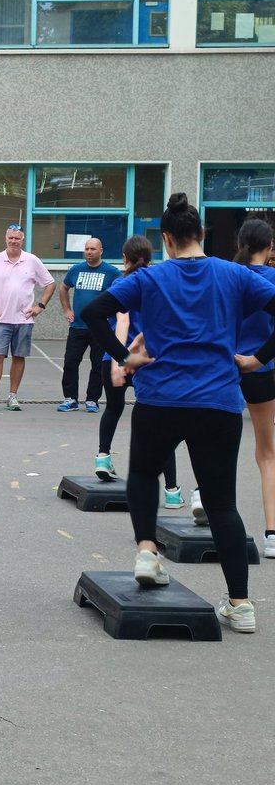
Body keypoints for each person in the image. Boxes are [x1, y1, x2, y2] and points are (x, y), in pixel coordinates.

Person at [82, 194, 275, 634]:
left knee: (144, 475)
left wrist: (123, 358)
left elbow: (95, 312)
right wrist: (258, 359)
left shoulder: (148, 279)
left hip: (161, 400)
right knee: (223, 504)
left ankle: (147, 550)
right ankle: (241, 605)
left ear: (165, 239)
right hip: (218, 403)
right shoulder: (235, 275)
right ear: (202, 234)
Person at [93, 236, 183, 510]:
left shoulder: (121, 284)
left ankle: (103, 457)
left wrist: (118, 361)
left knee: (113, 408)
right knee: (161, 426)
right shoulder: (158, 282)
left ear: (124, 257)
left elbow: (122, 319)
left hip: (119, 356)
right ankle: (171, 491)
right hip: (148, 359)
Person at [0, 225, 57, 412]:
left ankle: (12, 396)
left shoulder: (32, 261)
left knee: (19, 357)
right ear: (6, 238)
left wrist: (40, 306)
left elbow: (50, 284)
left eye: (17, 238)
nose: (13, 241)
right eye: (11, 237)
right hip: (1, 320)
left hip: (24, 320)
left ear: (22, 240)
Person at [233, 217, 275, 559]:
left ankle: (203, 494)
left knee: (215, 440)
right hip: (262, 369)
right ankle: (272, 534)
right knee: (266, 454)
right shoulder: (272, 279)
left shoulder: (230, 276)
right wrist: (259, 360)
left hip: (226, 365)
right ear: (270, 247)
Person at [57, 237, 120, 413]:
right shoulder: (76, 270)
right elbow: (63, 288)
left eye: (93, 249)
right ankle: (70, 399)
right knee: (70, 362)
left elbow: (122, 292)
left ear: (101, 251)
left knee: (98, 365)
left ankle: (92, 400)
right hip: (78, 326)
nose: (89, 252)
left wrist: (113, 317)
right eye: (86, 249)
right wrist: (66, 309)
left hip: (100, 328)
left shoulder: (112, 272)